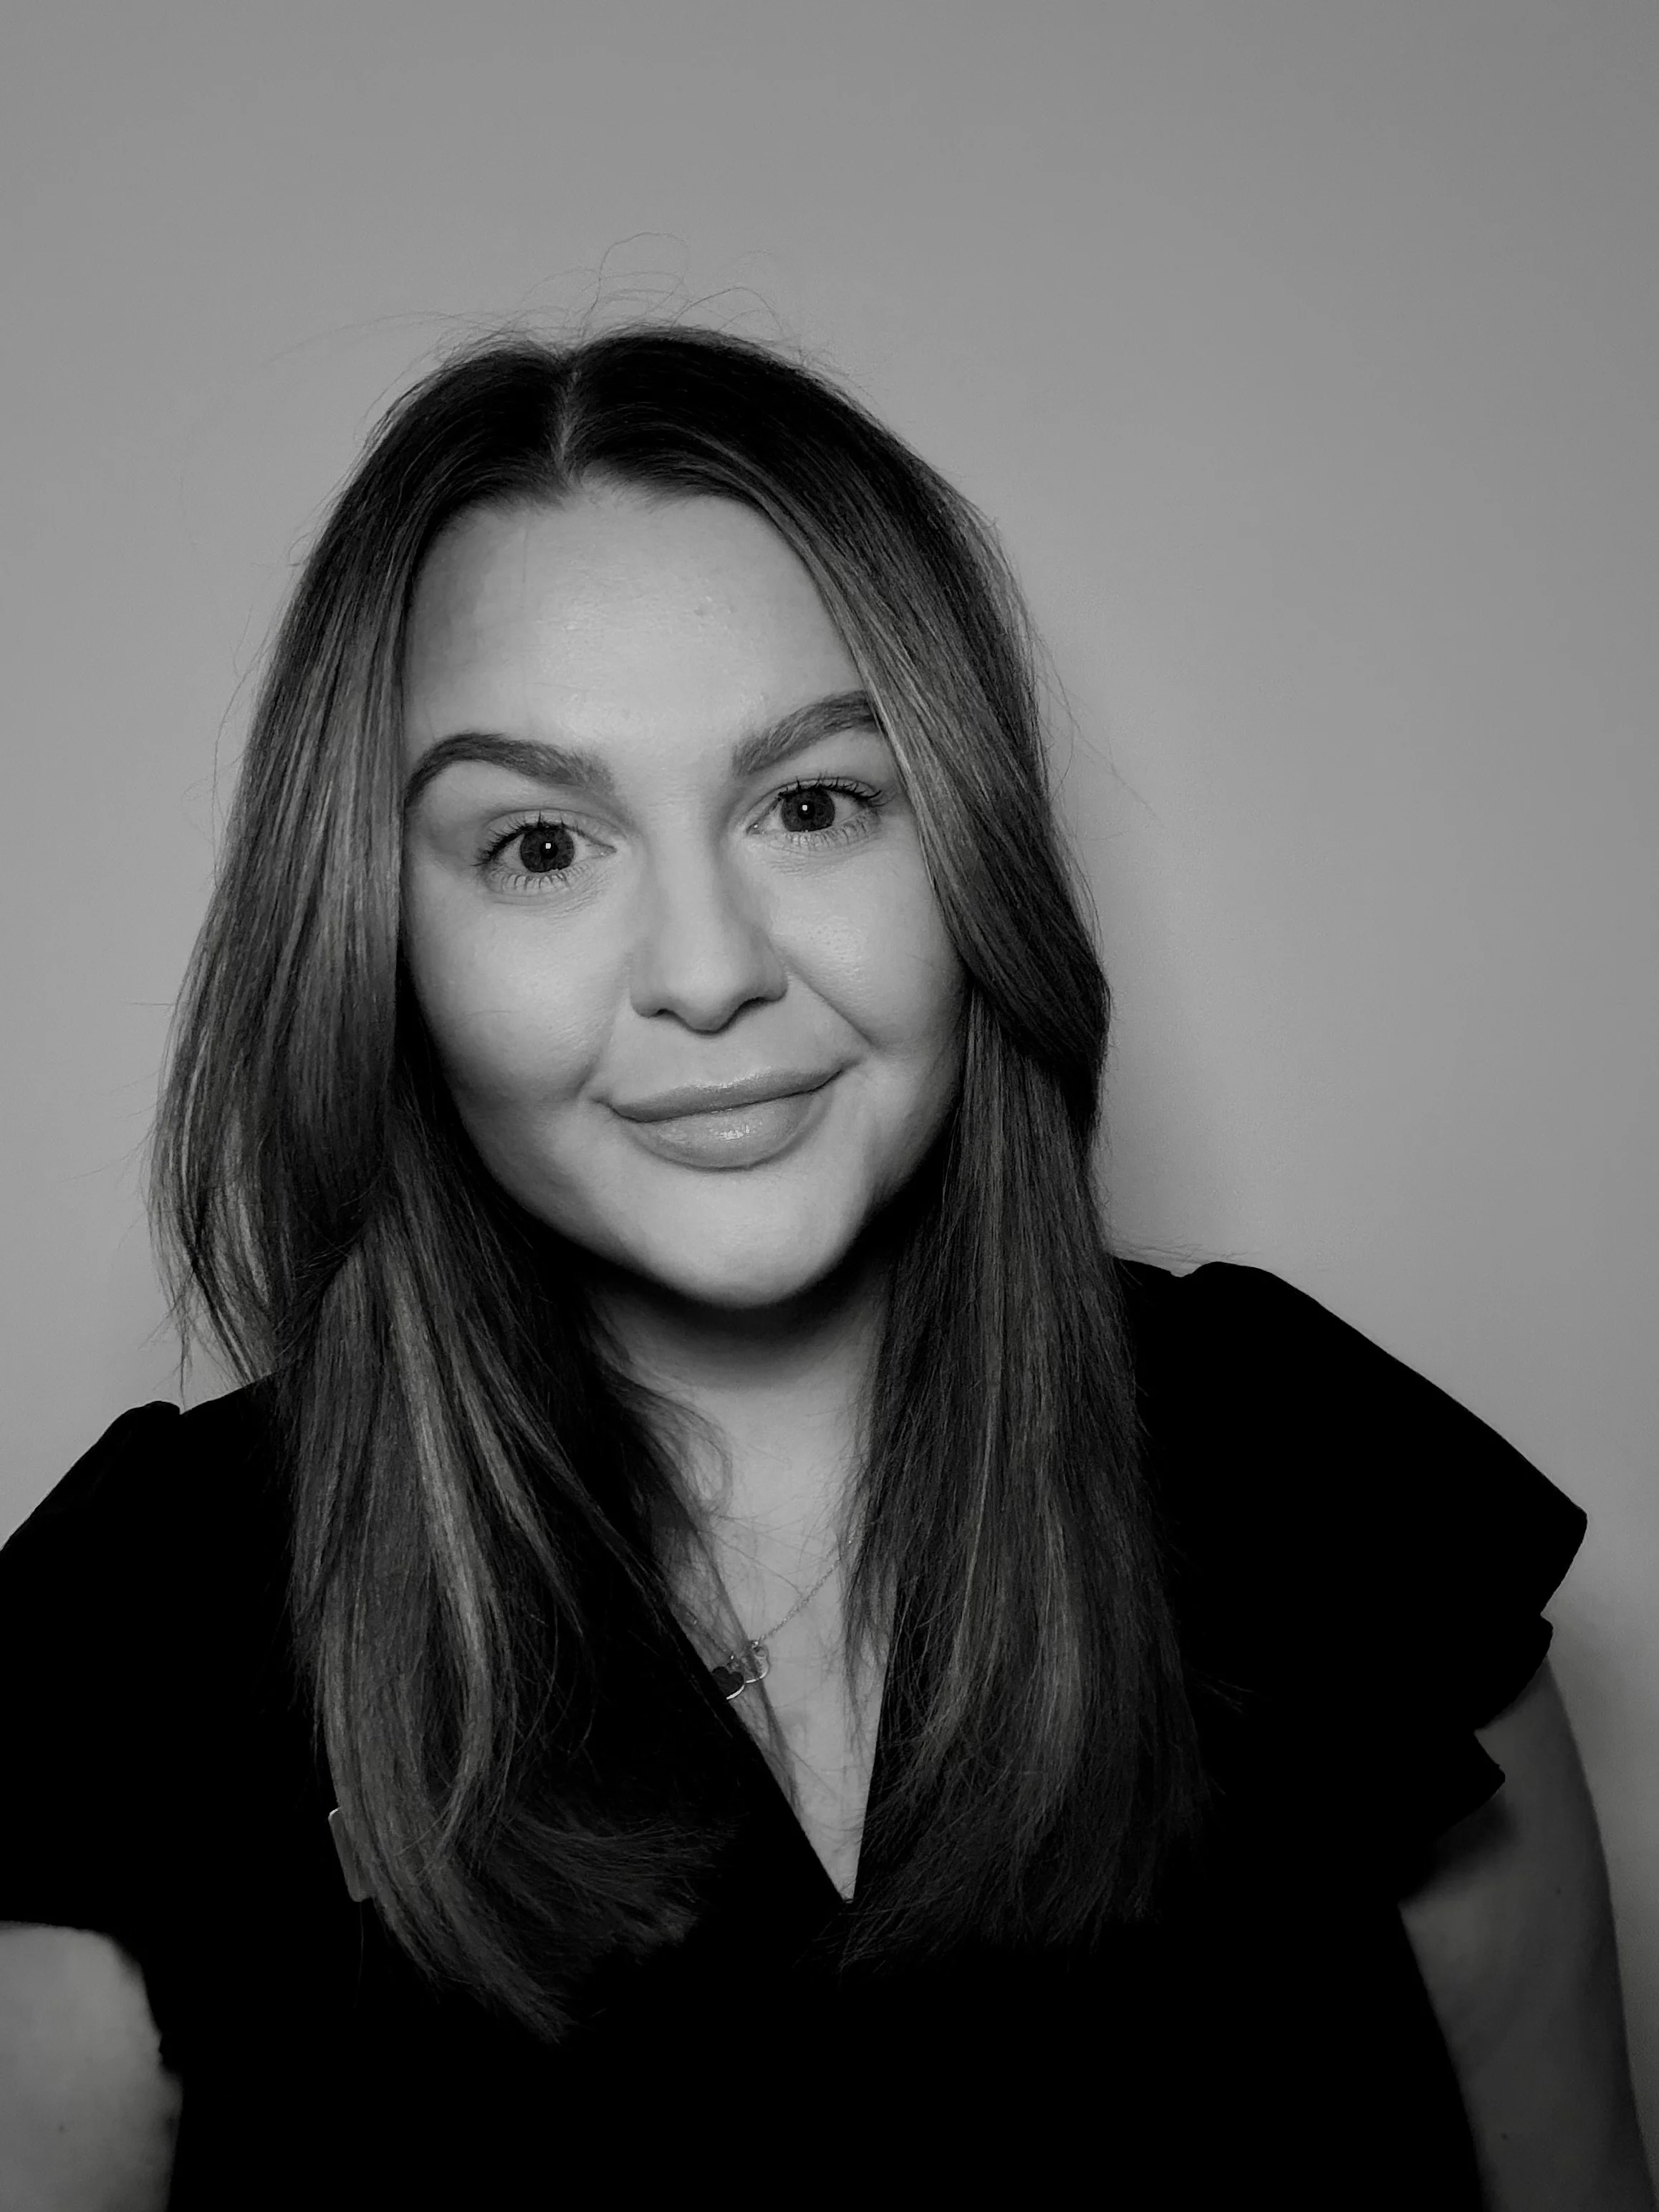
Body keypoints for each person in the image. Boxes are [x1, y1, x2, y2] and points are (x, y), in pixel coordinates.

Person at [1, 325, 1651, 2211]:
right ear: (376, 940)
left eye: (811, 804)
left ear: (967, 854)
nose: (707, 968)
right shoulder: (131, 1639)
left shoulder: (1322, 1494)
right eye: (537, 843)